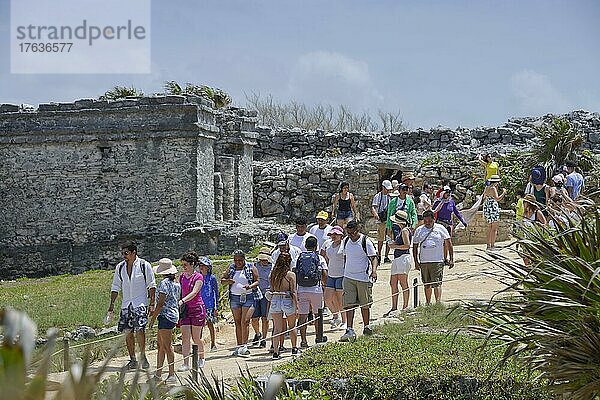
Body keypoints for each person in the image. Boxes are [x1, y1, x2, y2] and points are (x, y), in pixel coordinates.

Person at [108, 243, 156, 370]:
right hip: (126, 304)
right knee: (127, 332)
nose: (124, 256)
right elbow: (115, 287)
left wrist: (152, 303)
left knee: (140, 330)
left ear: (134, 252)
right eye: (122, 253)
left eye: (126, 253)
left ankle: (143, 356)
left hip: (140, 303)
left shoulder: (144, 265)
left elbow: (151, 285)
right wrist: (111, 305)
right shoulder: (120, 268)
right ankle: (133, 359)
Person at [339, 220, 378, 342]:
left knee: (364, 304)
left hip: (363, 278)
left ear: (357, 230)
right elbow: (345, 257)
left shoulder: (365, 241)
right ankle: (349, 329)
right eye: (348, 233)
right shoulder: (346, 241)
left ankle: (366, 326)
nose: (350, 235)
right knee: (349, 305)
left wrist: (374, 271)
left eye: (352, 233)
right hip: (348, 277)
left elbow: (374, 258)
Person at [221, 250, 261, 356]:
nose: (238, 262)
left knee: (245, 321)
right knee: (238, 322)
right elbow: (222, 280)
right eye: (236, 260)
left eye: (240, 260)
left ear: (244, 259)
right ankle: (239, 346)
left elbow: (257, 281)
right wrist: (228, 281)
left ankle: (244, 345)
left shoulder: (251, 267)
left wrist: (250, 286)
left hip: (248, 296)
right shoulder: (231, 268)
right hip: (234, 297)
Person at [148, 258, 180, 384]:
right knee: (161, 346)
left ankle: (171, 374)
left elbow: (160, 303)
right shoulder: (176, 284)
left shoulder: (164, 284)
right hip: (172, 314)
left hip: (165, 316)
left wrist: (152, 318)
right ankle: (158, 373)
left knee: (167, 346)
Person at [412, 210, 454, 305]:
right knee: (427, 284)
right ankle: (428, 303)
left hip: (437, 260)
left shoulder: (441, 228)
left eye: (429, 221)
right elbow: (414, 247)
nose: (427, 223)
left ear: (434, 219)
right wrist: (416, 261)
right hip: (424, 261)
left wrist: (451, 259)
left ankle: (438, 303)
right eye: (425, 221)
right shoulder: (419, 230)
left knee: (437, 283)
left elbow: (449, 243)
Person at [294, 236, 328, 348]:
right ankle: (319, 337)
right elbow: (324, 274)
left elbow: (295, 273)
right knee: (318, 314)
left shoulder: (299, 257)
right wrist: (324, 285)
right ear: (316, 246)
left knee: (302, 316)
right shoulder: (320, 258)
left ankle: (303, 341)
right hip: (316, 290)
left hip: (302, 290)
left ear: (305, 246)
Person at [177, 252, 206, 371]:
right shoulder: (182, 277)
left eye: (186, 265)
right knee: (185, 337)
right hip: (185, 310)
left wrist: (182, 301)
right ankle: (186, 363)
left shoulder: (198, 277)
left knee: (196, 337)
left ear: (192, 264)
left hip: (196, 309)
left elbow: (194, 292)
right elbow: (180, 291)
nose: (184, 267)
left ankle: (201, 357)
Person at [268, 253, 298, 360]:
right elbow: (293, 291)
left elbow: (271, 290)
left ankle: (276, 352)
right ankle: (294, 348)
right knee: (292, 326)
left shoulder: (273, 274)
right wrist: (297, 306)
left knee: (277, 328)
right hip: (287, 299)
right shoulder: (290, 275)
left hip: (275, 298)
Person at [385, 210, 412, 314]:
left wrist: (394, 246)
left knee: (403, 282)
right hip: (397, 258)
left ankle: (405, 307)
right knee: (393, 282)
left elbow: (407, 245)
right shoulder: (401, 230)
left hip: (403, 257)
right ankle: (394, 307)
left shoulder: (405, 230)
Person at [321, 225, 346, 329]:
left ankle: (345, 321)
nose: (334, 236)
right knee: (327, 298)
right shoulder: (328, 245)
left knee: (340, 300)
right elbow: (326, 259)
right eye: (332, 234)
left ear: (341, 235)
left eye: (336, 234)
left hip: (341, 275)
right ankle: (336, 316)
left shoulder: (344, 245)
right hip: (331, 275)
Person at [250, 247, 273, 349]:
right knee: (254, 319)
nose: (263, 261)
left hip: (266, 294)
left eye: (265, 259)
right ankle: (258, 333)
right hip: (255, 293)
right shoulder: (254, 266)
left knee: (265, 318)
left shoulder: (272, 268)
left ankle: (264, 339)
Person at [198, 256, 219, 352]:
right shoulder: (198, 277)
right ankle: (199, 345)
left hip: (210, 305)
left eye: (203, 265)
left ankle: (213, 343)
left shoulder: (212, 278)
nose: (201, 267)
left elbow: (216, 292)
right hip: (200, 305)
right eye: (200, 265)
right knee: (199, 326)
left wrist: (216, 307)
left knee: (210, 324)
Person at [482, 175, 506, 251]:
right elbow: (497, 198)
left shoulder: (487, 188)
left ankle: (488, 245)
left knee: (489, 227)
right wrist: (504, 193)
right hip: (493, 208)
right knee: (494, 228)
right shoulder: (493, 188)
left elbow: (484, 197)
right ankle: (492, 245)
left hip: (487, 207)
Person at [371, 179, 392, 263]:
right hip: (381, 220)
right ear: (383, 187)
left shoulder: (389, 197)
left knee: (389, 238)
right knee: (380, 239)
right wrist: (376, 214)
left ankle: (386, 256)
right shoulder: (377, 196)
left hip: (388, 220)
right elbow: (373, 206)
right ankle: (379, 255)